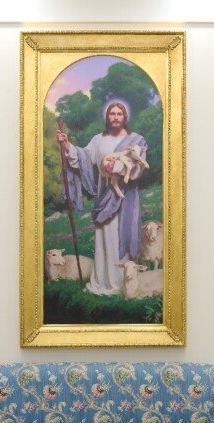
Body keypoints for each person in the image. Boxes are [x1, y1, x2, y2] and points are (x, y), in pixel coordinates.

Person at [56, 102, 148, 295]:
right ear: (107, 117)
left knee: (121, 237)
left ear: (124, 117)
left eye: (119, 114)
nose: (115, 117)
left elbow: (137, 170)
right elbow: (83, 157)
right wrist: (66, 144)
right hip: (105, 197)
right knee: (106, 239)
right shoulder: (99, 139)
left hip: (126, 199)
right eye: (112, 114)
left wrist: (117, 168)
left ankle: (123, 285)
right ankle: (103, 282)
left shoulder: (136, 140)